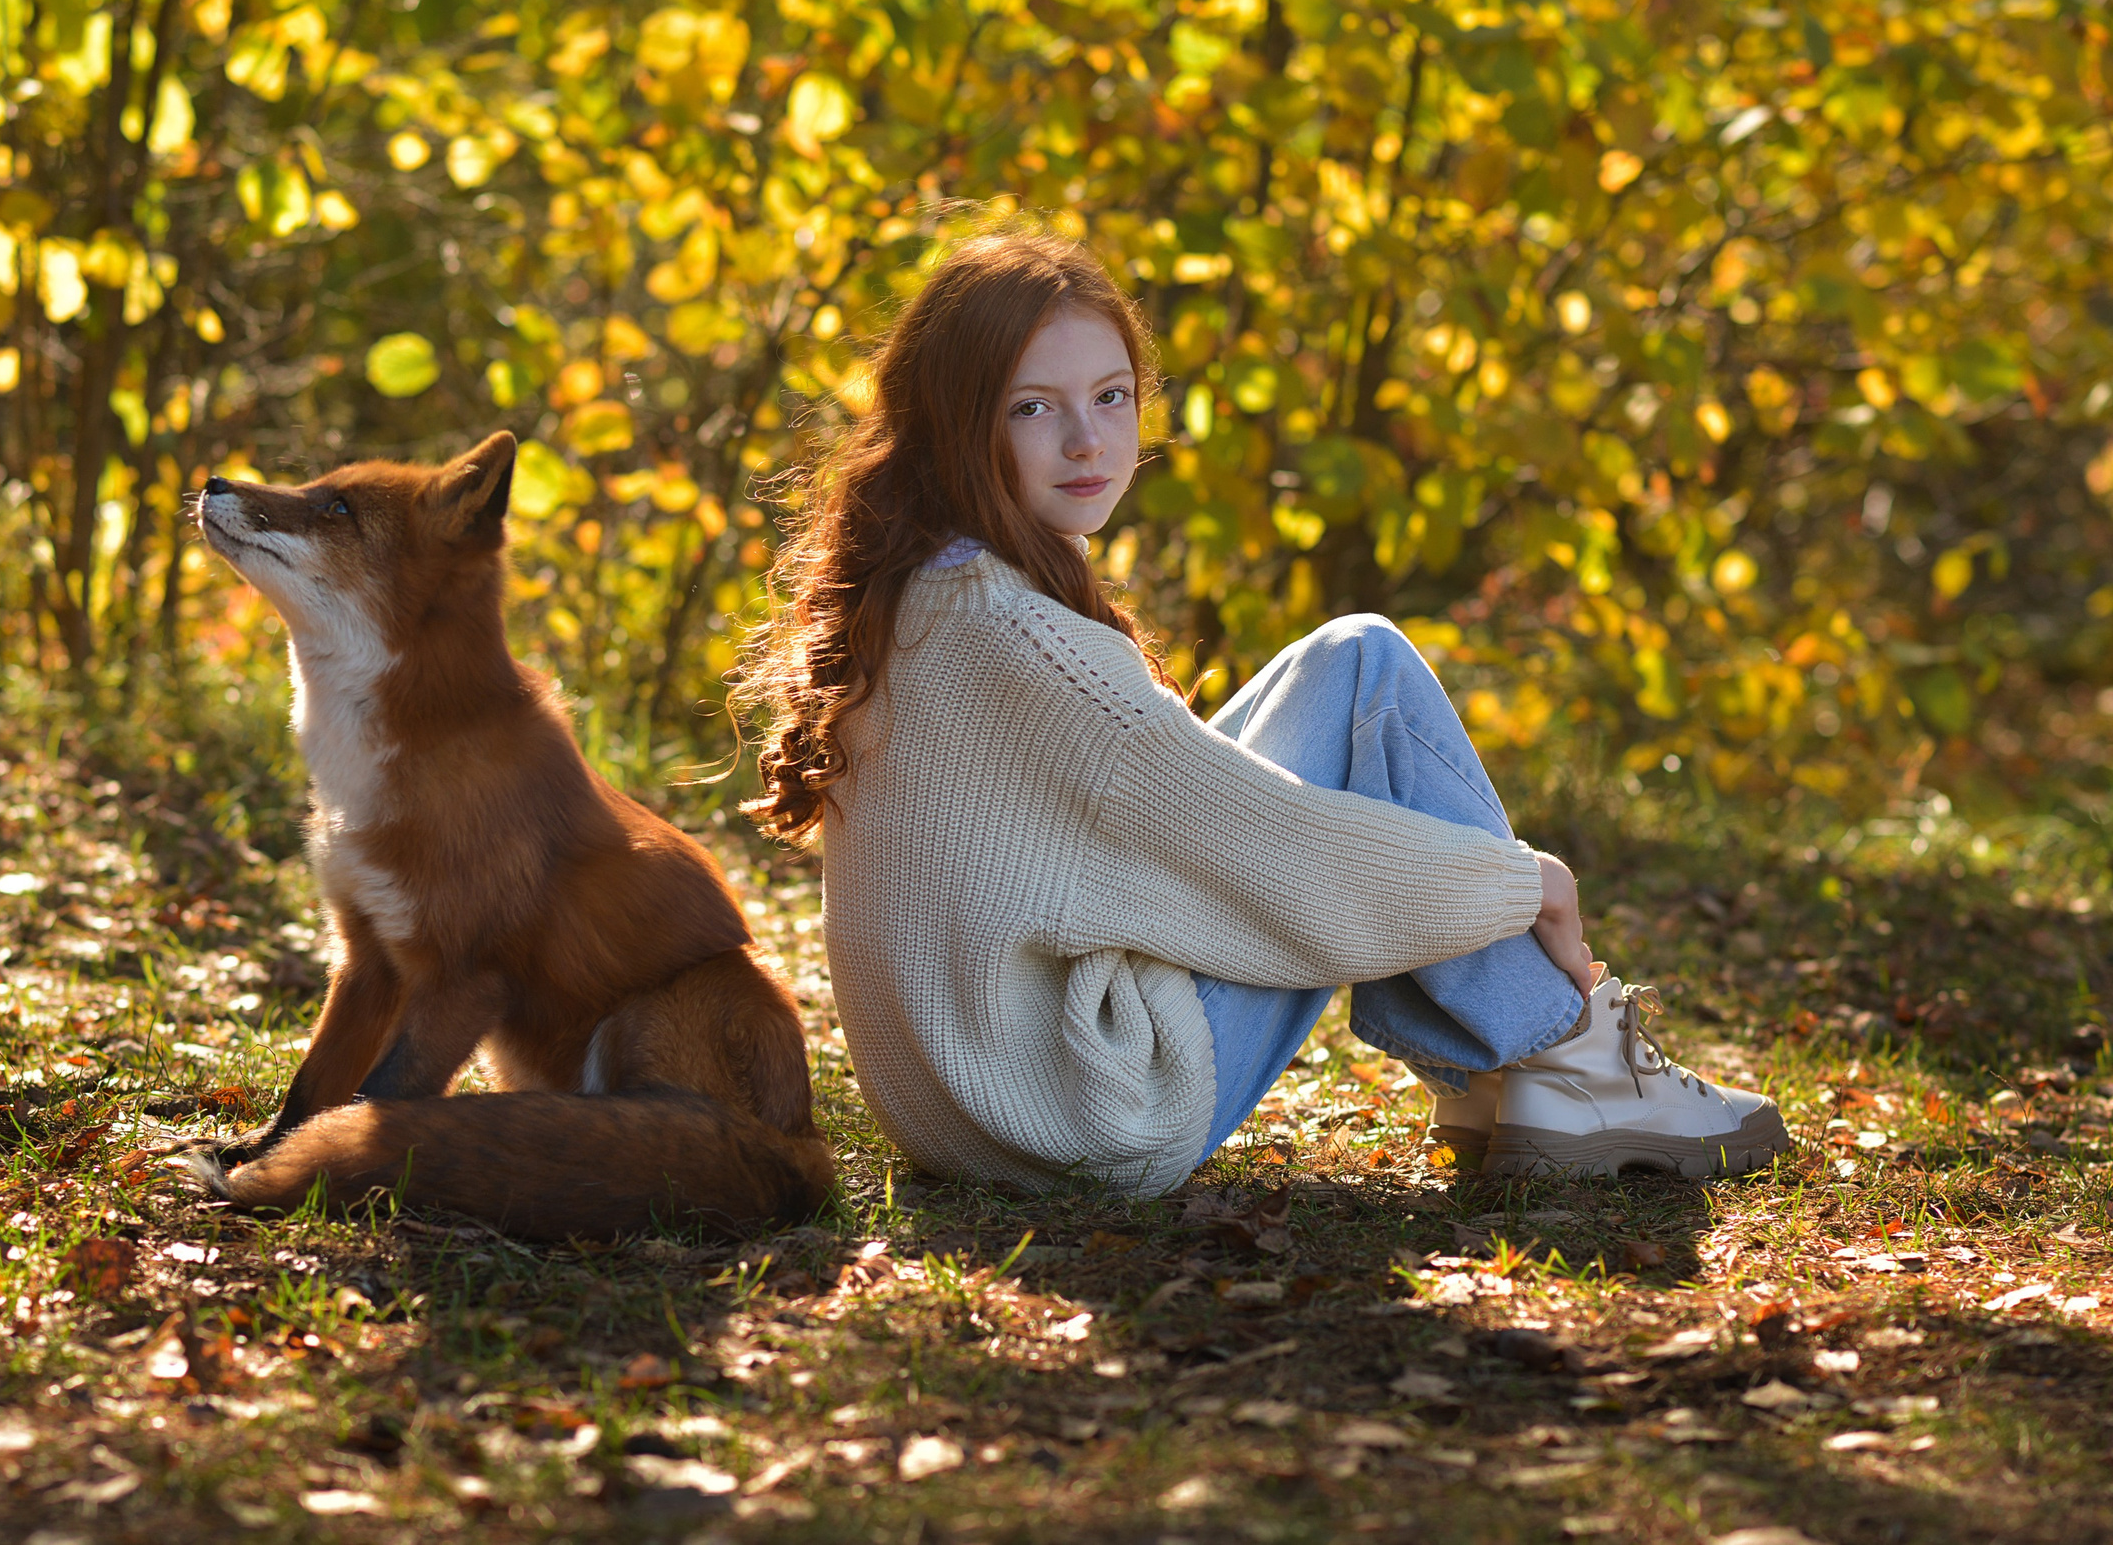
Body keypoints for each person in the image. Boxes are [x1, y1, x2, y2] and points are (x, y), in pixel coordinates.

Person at [738, 220, 1788, 1196]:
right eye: (1031, 408)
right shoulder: (1017, 639)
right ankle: (1574, 1062)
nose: (1088, 441)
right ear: (952, 425)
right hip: (1083, 1117)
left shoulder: (927, 590)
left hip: (967, 1109)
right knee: (1368, 676)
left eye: (1111, 396)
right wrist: (1523, 884)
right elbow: (1275, 857)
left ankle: (1523, 1073)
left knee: (1347, 663)